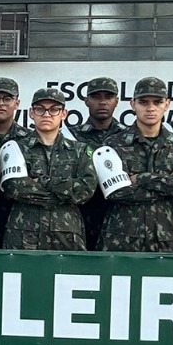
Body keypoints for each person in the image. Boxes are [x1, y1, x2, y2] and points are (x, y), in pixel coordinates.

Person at [99, 77, 173, 253]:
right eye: (143, 102)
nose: (151, 108)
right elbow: (116, 192)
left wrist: (142, 178)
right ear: (133, 104)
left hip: (168, 237)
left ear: (167, 104)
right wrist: (171, 182)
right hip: (122, 237)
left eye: (157, 102)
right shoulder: (113, 144)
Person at [0, 88, 97, 251]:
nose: (47, 114)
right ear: (31, 113)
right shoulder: (16, 148)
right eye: (40, 109)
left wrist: (42, 181)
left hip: (67, 234)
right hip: (24, 232)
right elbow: (14, 188)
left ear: (63, 114)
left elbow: (85, 190)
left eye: (54, 109)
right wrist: (63, 195)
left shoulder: (80, 150)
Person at [71, 76, 125, 251]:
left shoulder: (127, 137)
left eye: (108, 97)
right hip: (80, 215)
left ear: (116, 101)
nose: (102, 102)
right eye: (96, 97)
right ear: (86, 101)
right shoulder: (71, 137)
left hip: (119, 219)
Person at [0, 76, 30, 248]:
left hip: (21, 220)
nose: (1, 103)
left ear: (17, 103)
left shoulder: (29, 140)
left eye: (7, 98)